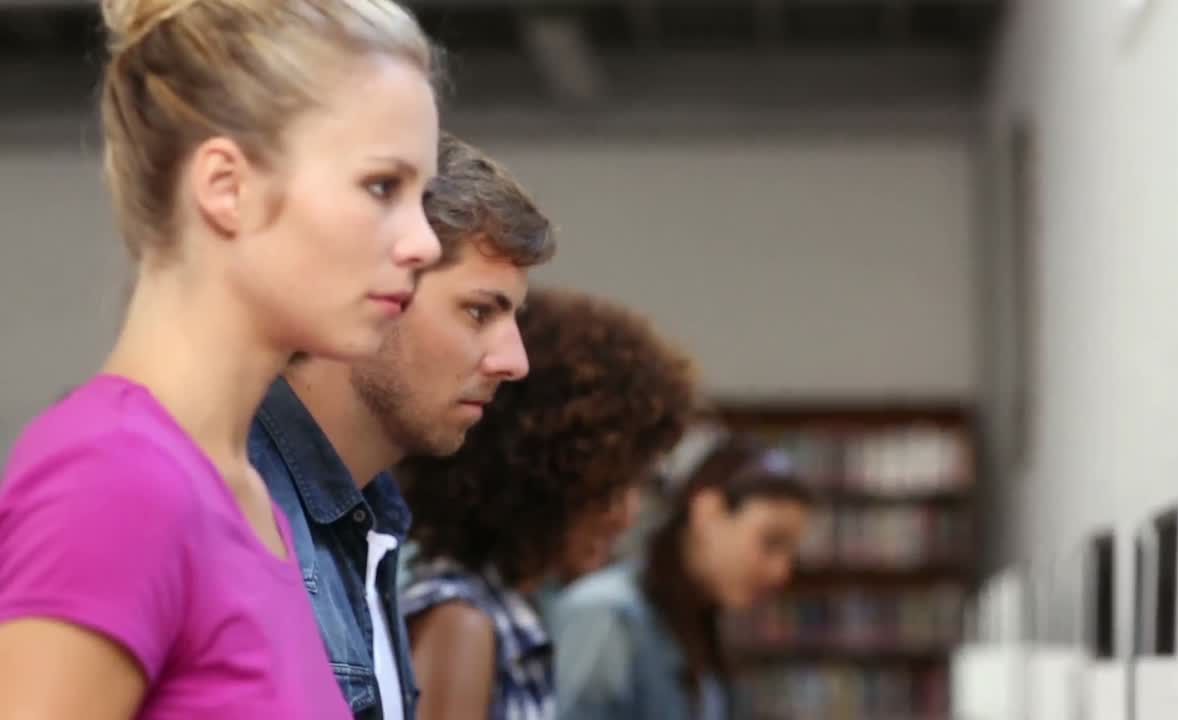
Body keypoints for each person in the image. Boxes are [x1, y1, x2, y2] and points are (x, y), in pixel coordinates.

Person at [0, 1, 441, 718]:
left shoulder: (247, 496)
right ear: (226, 187)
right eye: (382, 187)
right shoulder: (114, 479)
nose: (423, 242)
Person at [249, 131, 555, 719]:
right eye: (478, 311)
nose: (514, 360)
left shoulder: (372, 525)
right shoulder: (239, 504)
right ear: (372, 289)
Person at [399, 287, 698, 720]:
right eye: (609, 489)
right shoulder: (462, 619)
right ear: (543, 477)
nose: (625, 515)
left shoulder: (507, 607)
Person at [550, 435, 815, 720]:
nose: (781, 572)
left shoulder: (693, 627)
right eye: (771, 541)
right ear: (707, 511)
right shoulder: (605, 616)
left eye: (791, 554)